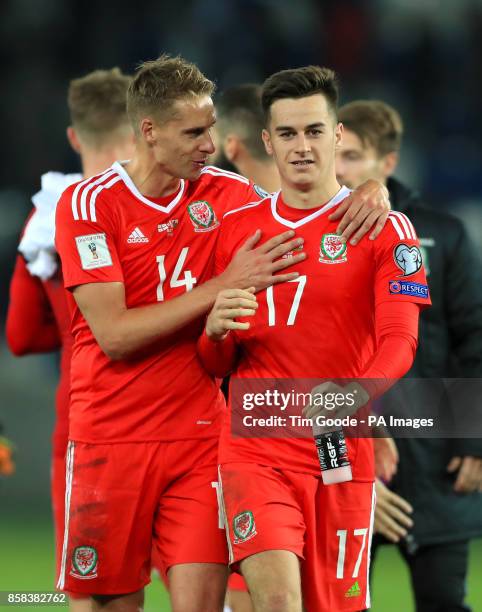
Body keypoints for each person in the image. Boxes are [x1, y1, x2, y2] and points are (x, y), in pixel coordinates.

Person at [53, 54, 391, 612]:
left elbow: (306, 211)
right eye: (194, 132)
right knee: (110, 603)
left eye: (211, 128)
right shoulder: (89, 205)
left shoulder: (228, 198)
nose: (210, 143)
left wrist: (372, 188)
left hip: (203, 440)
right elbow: (113, 334)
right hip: (111, 436)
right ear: (149, 132)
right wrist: (222, 286)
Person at [198, 65, 431, 612]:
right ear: (266, 141)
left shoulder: (385, 229)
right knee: (277, 600)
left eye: (314, 131)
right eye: (287, 134)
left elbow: (400, 343)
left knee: (334, 604)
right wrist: (213, 333)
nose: (301, 147)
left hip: (337, 445)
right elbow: (217, 360)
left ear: (338, 135)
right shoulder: (237, 229)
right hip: (256, 443)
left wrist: (347, 397)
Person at [336, 99, 482, 612]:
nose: (339, 168)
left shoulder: (442, 234)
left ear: (388, 163)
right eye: (336, 153)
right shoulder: (318, 235)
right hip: (348, 453)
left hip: (435, 459)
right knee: (341, 602)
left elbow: (476, 339)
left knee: (444, 601)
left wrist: (474, 438)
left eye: (352, 156)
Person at [5, 67, 135, 611]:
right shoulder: (176, 207)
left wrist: (72, 329)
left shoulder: (50, 213)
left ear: (76, 137)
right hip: (182, 417)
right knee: (204, 587)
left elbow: (19, 335)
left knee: (95, 593)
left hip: (88, 421)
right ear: (142, 132)